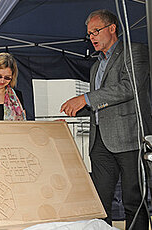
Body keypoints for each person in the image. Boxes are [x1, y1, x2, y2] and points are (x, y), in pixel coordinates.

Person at [60, 9, 151, 229]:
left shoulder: (135, 51)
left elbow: (129, 88)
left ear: (112, 28)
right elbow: (96, 105)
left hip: (129, 137)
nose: (91, 37)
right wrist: (71, 114)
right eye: (89, 34)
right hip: (99, 142)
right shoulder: (95, 67)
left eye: (95, 31)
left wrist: (84, 98)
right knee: (100, 204)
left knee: (133, 201)